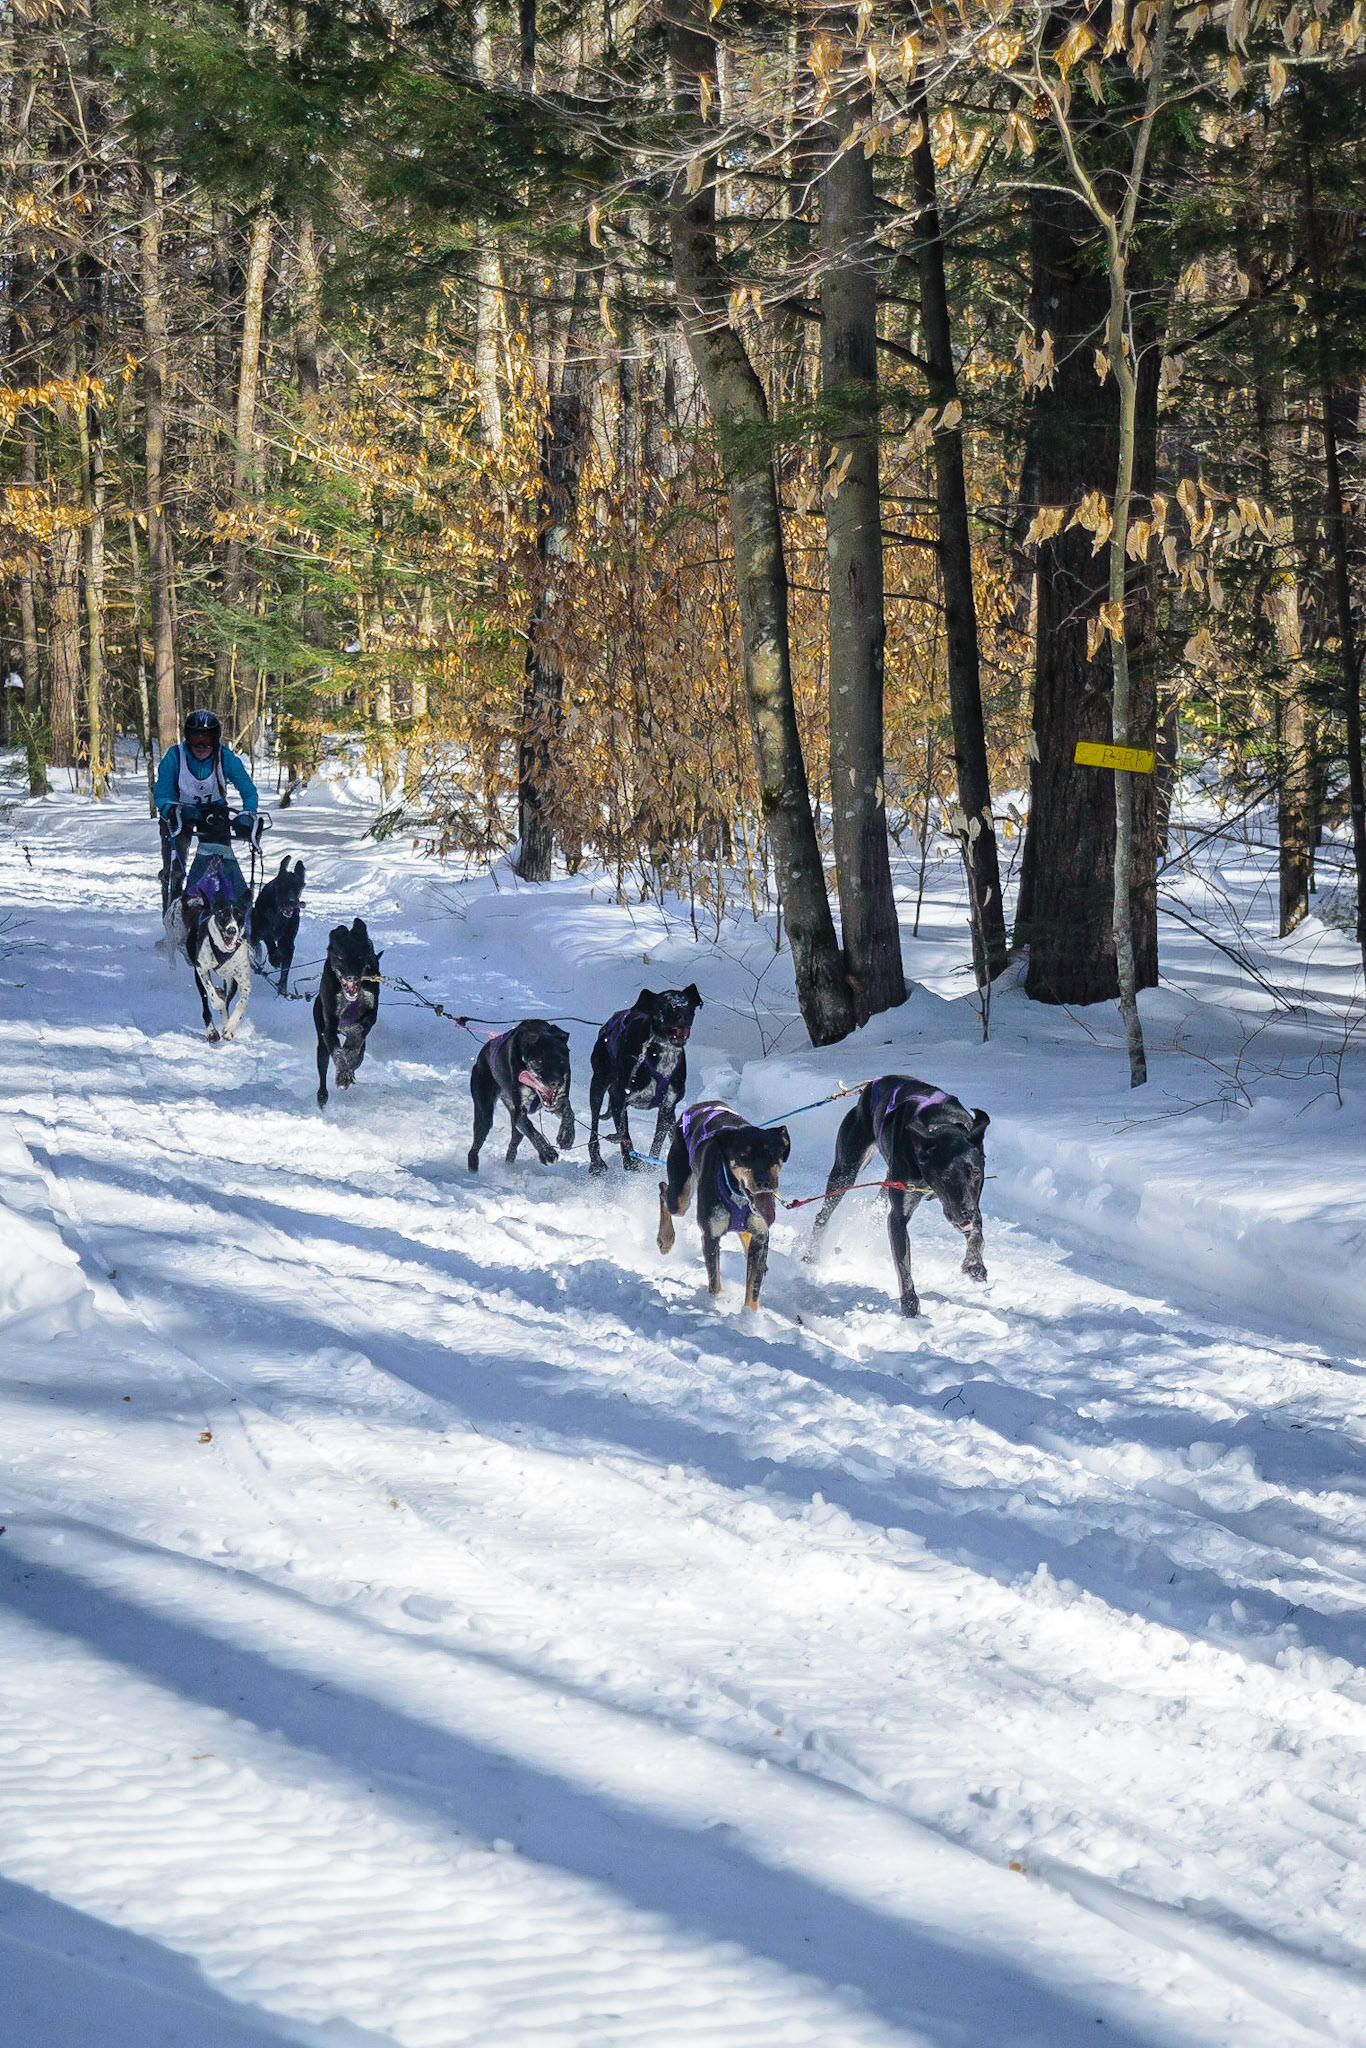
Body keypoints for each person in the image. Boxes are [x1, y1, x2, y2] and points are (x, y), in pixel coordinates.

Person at [155, 709, 260, 913]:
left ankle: (225, 915)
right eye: (196, 739)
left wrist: (247, 814)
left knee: (220, 862)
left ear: (216, 739)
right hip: (178, 814)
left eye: (207, 739)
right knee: (174, 871)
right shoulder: (175, 756)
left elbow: (249, 790)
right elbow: (161, 793)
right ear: (187, 738)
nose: (201, 746)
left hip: (214, 813)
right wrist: (171, 810)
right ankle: (173, 918)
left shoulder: (225, 757)